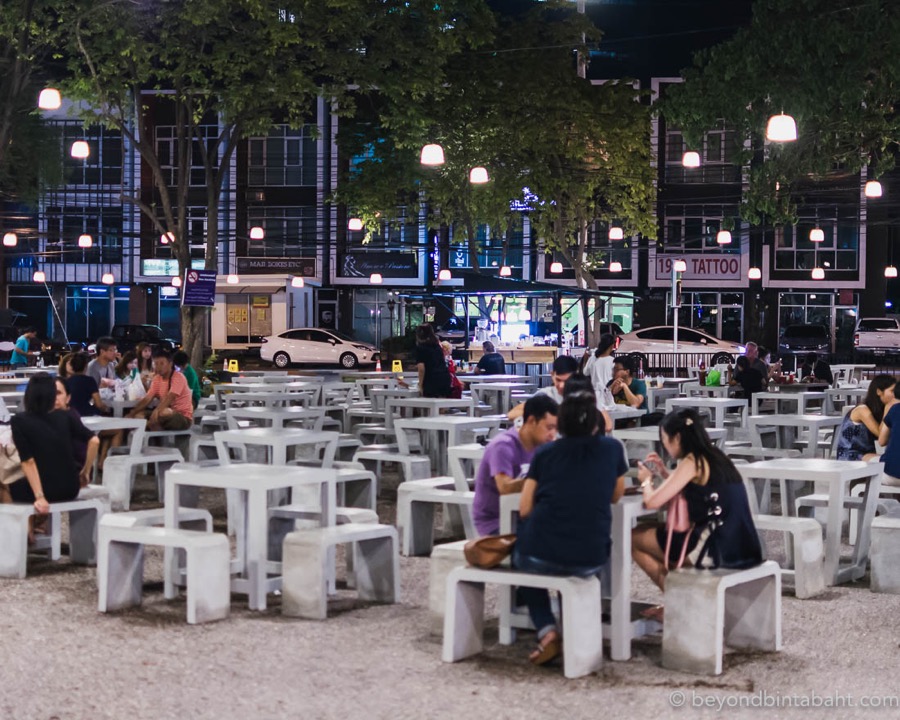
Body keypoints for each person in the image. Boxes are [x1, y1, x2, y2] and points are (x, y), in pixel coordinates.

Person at [513, 390, 626, 665]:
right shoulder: (612, 449)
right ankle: (578, 625)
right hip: (591, 556)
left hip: (538, 553)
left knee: (521, 559)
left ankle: (547, 630)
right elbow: (616, 495)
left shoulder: (545, 453)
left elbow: (525, 508)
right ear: (595, 422)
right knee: (575, 561)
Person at [632, 409, 762, 603]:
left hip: (714, 548)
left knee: (633, 537)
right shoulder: (715, 456)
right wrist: (666, 473)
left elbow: (652, 502)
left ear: (676, 438)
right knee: (654, 536)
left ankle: (677, 604)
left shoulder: (692, 460)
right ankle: (683, 598)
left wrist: (646, 481)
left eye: (664, 439)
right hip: (743, 543)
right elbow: (695, 488)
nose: (665, 445)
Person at [7, 373, 99, 517]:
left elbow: (28, 462)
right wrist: (85, 472)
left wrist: (39, 496)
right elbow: (94, 441)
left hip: (44, 490)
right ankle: (33, 526)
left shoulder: (20, 420)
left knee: (5, 485)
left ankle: (24, 531)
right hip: (71, 488)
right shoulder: (65, 416)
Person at [473, 394, 559, 536]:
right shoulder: (503, 446)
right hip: (496, 523)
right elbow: (505, 487)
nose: (553, 434)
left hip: (525, 516)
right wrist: (536, 480)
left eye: (555, 428)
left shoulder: (541, 446)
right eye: (549, 427)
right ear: (531, 421)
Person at [127, 349, 194, 430]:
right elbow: (148, 398)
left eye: (162, 363)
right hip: (163, 412)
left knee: (164, 413)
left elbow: (170, 396)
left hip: (182, 417)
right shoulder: (157, 379)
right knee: (138, 415)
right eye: (156, 364)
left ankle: (151, 426)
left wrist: (157, 411)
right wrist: (132, 413)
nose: (158, 367)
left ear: (170, 364)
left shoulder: (178, 377)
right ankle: (153, 428)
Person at [837, 375, 895, 461]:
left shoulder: (880, 411)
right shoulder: (862, 410)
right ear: (879, 391)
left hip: (868, 453)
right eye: (892, 391)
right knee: (890, 462)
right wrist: (888, 407)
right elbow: (881, 436)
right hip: (850, 455)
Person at [507, 355, 579, 420]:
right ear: (552, 375)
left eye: (567, 381)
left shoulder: (583, 394)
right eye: (558, 380)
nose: (562, 385)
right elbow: (512, 414)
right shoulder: (546, 394)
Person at [413, 324, 452, 398]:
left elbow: (421, 368)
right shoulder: (438, 347)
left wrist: (420, 385)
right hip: (445, 378)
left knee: (428, 404)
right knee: (441, 404)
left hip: (431, 380)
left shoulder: (421, 348)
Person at [66, 352, 109, 417]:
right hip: (88, 414)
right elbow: (99, 404)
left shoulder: (66, 381)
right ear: (86, 366)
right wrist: (107, 409)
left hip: (71, 415)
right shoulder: (90, 380)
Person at [587, 333, 618, 407]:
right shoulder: (612, 361)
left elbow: (585, 372)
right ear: (611, 346)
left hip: (593, 395)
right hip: (607, 394)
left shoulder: (593, 359)